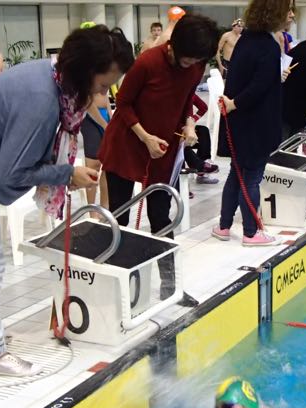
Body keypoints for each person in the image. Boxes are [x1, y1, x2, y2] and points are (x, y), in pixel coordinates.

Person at [0, 26, 134, 376]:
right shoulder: (42, 100)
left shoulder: (53, 78)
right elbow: (13, 173)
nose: (101, 93)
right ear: (84, 72)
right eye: (101, 85)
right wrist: (67, 174)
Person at [98, 14, 218, 307]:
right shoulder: (147, 63)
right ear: (174, 46)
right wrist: (145, 137)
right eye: (187, 59)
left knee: (162, 218)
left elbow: (188, 98)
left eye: (196, 61)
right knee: (121, 218)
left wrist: (189, 124)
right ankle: (122, 289)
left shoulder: (196, 63)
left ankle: (170, 287)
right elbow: (123, 105)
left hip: (163, 148)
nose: (191, 65)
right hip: (128, 143)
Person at [213, 0, 291, 247]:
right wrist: (236, 103)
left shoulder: (245, 39)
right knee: (252, 177)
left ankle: (224, 226)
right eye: (287, 10)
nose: (291, 15)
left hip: (239, 121)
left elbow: (241, 77)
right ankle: (250, 232)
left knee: (236, 174)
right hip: (256, 120)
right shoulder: (268, 46)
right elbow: (259, 86)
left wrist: (233, 104)